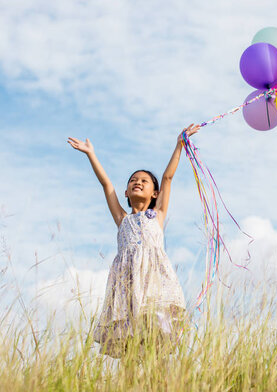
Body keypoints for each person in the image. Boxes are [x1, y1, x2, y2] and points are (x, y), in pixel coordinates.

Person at [67, 123, 200, 358]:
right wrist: (91, 154)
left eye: (144, 181)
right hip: (128, 283)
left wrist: (179, 144)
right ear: (126, 193)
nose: (137, 182)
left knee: (155, 335)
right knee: (130, 339)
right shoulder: (122, 219)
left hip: (154, 282)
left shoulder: (158, 215)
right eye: (132, 181)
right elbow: (107, 184)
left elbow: (168, 178)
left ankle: (156, 377)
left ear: (155, 194)